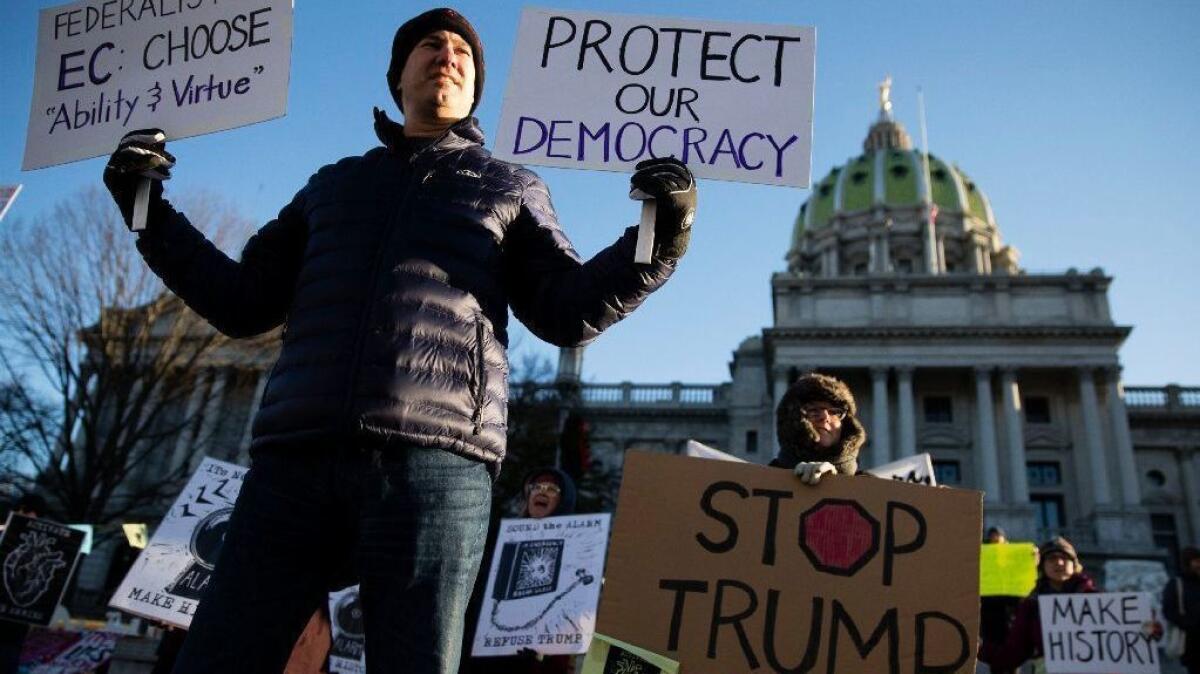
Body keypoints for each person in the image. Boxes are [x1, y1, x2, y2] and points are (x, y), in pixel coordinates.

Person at [101, 8, 696, 674]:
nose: (447, 54)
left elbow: (566, 309)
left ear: (475, 92)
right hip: (294, 463)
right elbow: (241, 302)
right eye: (428, 45)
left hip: (436, 472)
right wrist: (146, 210)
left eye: (463, 52)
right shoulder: (332, 185)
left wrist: (659, 232)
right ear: (397, 77)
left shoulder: (512, 186)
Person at [459, 468, 577, 674]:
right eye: (536, 487)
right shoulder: (497, 537)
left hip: (531, 659)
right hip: (478, 651)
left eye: (551, 488)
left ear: (564, 500)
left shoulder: (574, 550)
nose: (541, 492)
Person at [978, 537, 1096, 671]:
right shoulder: (1031, 606)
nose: (1059, 562)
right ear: (1042, 566)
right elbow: (1014, 652)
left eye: (1065, 557)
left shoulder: (1096, 600)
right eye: (1051, 558)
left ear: (1074, 565)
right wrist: (980, 648)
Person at [770, 373, 866, 485]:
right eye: (814, 410)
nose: (825, 418)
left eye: (834, 412)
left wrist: (834, 483)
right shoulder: (762, 481)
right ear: (792, 419)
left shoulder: (872, 488)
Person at [978, 526, 1018, 674]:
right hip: (990, 624)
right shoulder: (983, 565)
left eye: (999, 543)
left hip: (1011, 623)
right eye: (992, 543)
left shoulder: (1014, 564)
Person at [1163, 546, 1200, 673]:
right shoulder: (1175, 584)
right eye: (1196, 561)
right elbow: (1169, 611)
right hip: (1192, 643)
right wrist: (1189, 624)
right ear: (1187, 563)